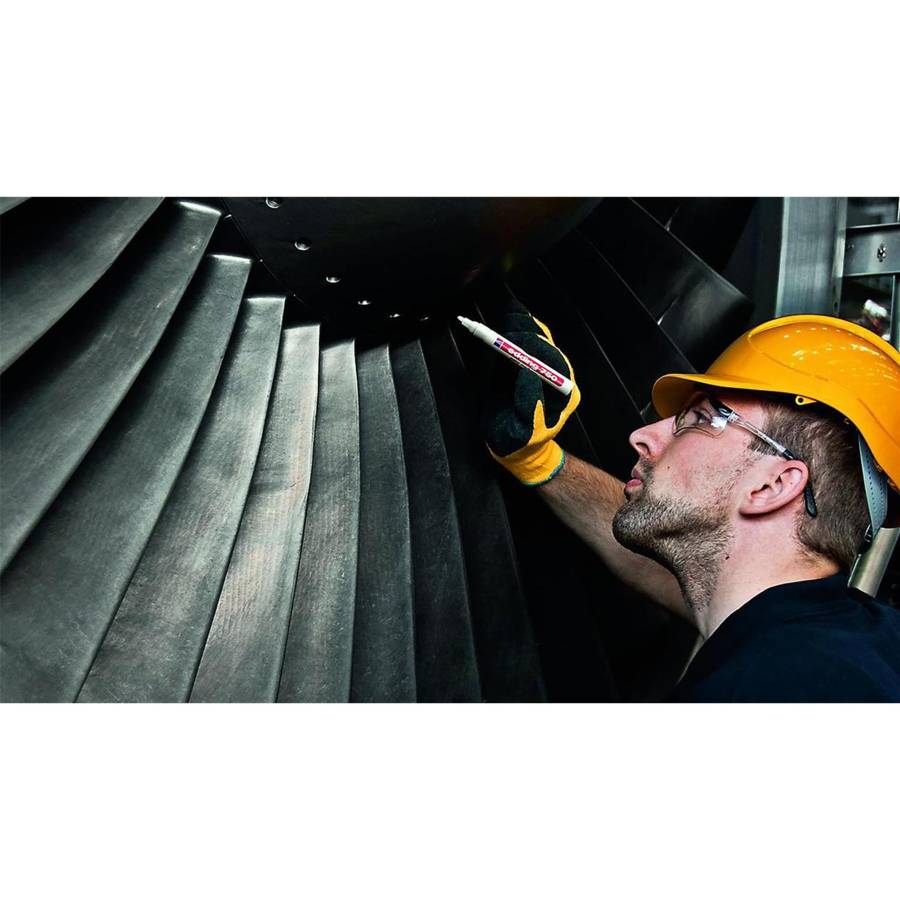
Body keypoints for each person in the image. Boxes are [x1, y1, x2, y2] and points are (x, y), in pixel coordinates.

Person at [481, 301, 900, 701]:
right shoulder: (857, 641)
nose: (642, 436)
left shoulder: (754, 696)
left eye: (700, 419)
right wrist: (540, 461)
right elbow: (694, 573)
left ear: (773, 485)